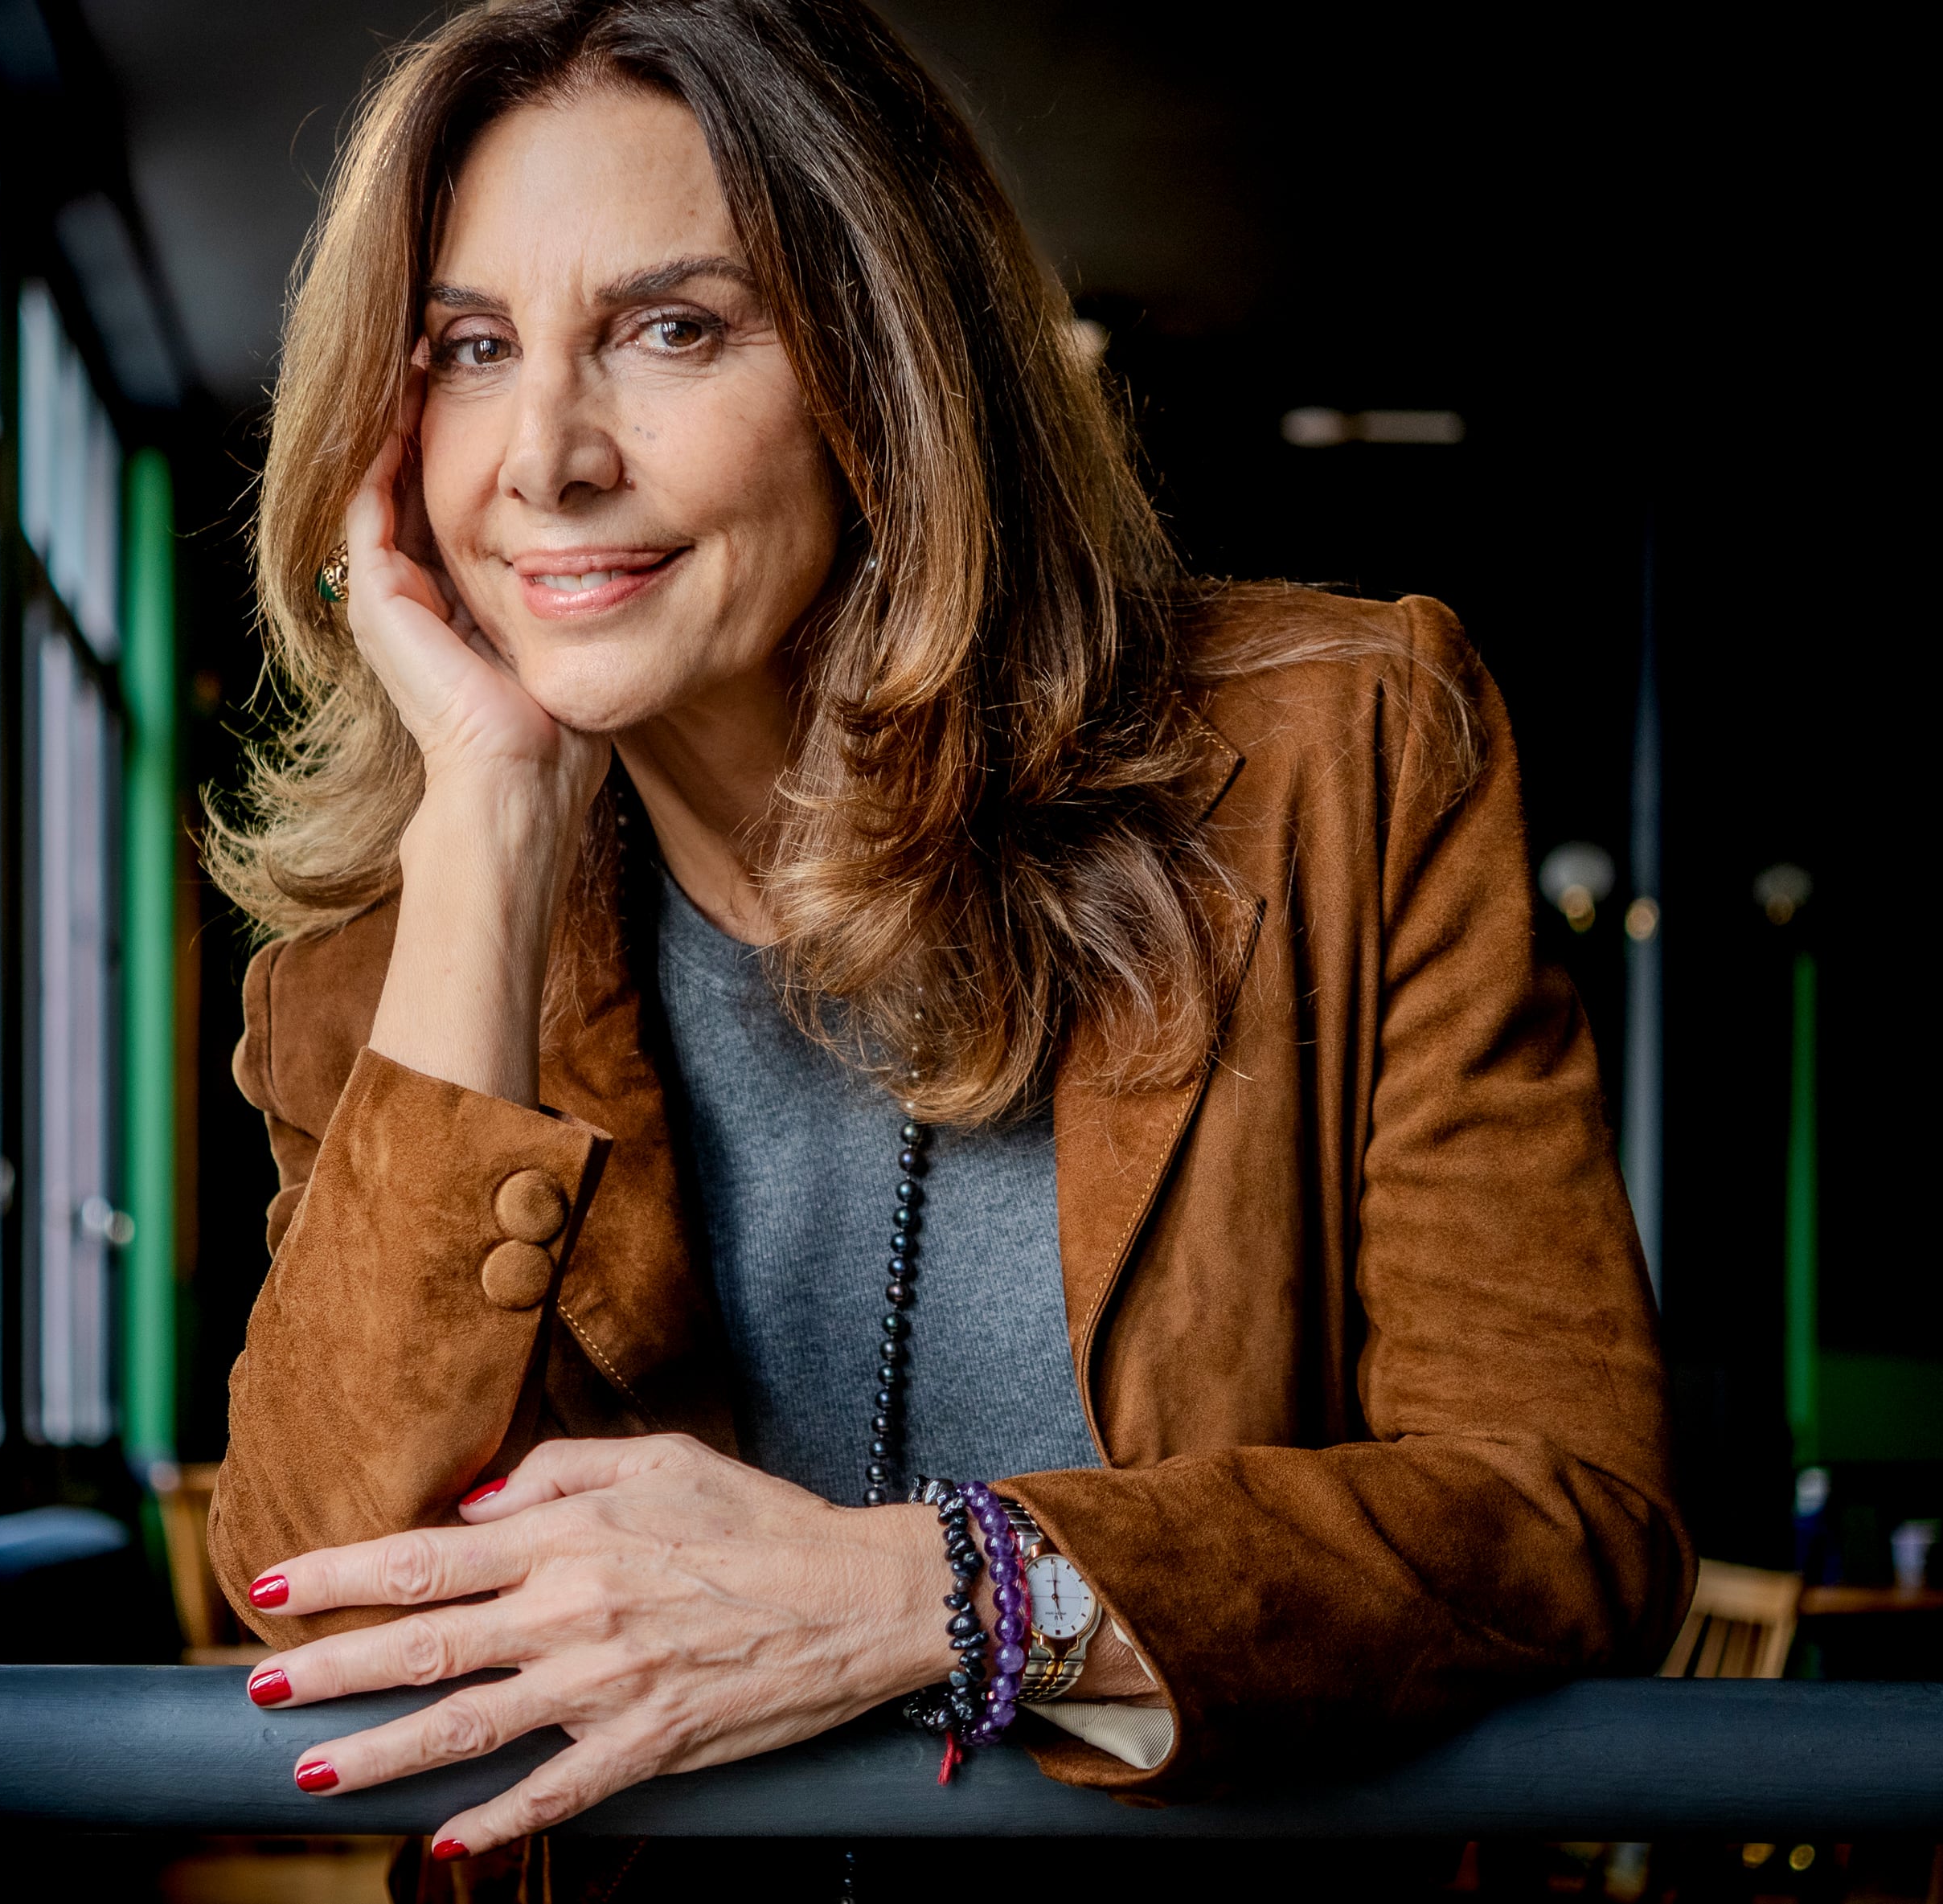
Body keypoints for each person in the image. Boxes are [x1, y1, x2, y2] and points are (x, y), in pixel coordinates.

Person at [202, 0, 1691, 1891]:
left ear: (881, 371)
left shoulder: (1342, 759)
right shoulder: (379, 988)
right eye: (468, 352)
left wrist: (937, 1593)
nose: (545, 455)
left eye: (672, 328)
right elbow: (326, 1605)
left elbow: (1563, 1518)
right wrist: (491, 820)